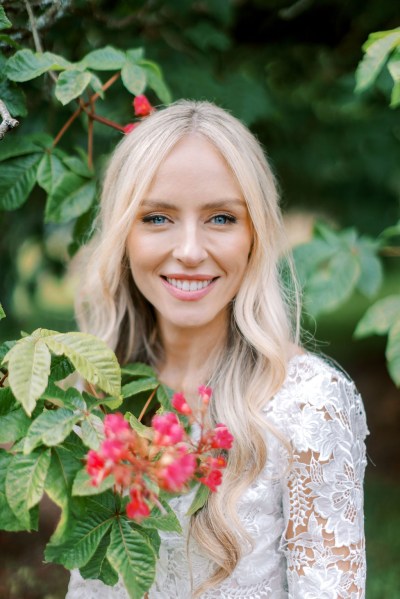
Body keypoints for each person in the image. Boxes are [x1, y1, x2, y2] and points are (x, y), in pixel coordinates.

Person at [67, 100, 368, 598]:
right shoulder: (93, 390)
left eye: (222, 218)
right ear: (123, 234)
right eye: (158, 217)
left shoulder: (309, 403)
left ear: (256, 234)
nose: (188, 250)